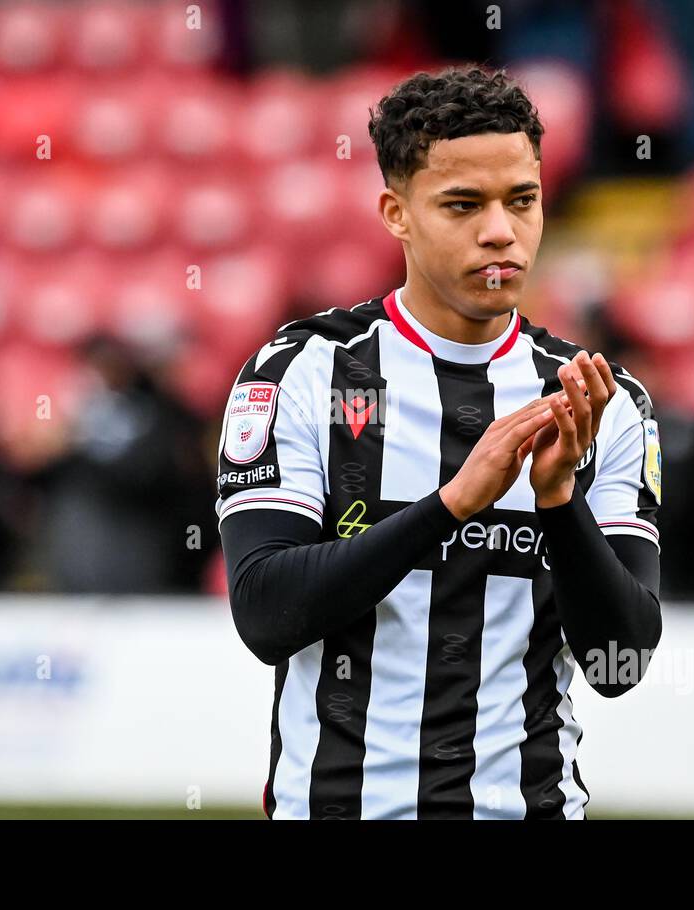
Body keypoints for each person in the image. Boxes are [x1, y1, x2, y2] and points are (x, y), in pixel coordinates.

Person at [216, 66, 663, 819]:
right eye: (463, 204)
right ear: (396, 213)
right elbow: (265, 616)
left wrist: (558, 501)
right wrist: (453, 504)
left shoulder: (605, 403)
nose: (501, 230)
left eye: (522, 200)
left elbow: (619, 664)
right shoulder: (300, 372)